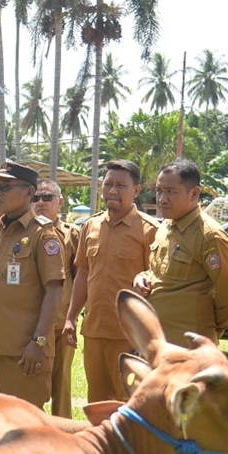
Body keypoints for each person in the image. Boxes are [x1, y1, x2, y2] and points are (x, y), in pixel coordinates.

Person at [0, 163, 65, 409]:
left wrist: (39, 342)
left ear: (29, 192)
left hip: (22, 353)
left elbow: (54, 290)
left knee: (23, 430)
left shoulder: (43, 235)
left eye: (6, 187)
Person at [61, 160, 157, 402]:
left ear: (136, 190)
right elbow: (83, 273)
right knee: (97, 401)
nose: (112, 190)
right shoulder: (91, 226)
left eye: (121, 185)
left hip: (130, 336)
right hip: (94, 331)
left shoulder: (150, 230)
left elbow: (155, 282)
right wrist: (71, 318)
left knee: (128, 402)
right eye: (108, 184)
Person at [134, 158, 228, 346]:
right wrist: (142, 277)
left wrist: (208, 331)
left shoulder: (209, 236)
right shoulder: (165, 226)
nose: (162, 199)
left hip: (189, 347)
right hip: (157, 342)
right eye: (159, 191)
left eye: (170, 192)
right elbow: (157, 272)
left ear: (194, 194)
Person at [31, 178, 79, 417]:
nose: (40, 203)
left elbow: (80, 278)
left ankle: (64, 431)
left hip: (59, 323)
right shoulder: (24, 233)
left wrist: (73, 316)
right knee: (29, 382)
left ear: (59, 202)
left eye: (47, 198)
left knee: (61, 383)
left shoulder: (72, 235)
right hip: (28, 321)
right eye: (36, 198)